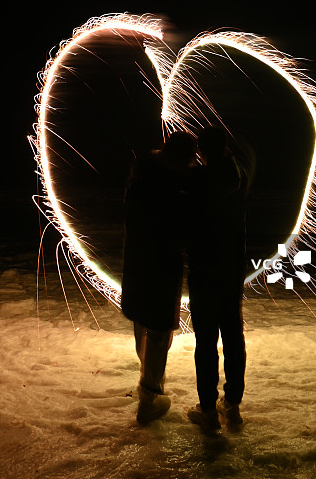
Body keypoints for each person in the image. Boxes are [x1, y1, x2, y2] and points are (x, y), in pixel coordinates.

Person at [121, 130, 196, 424]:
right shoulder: (169, 188)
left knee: (144, 324)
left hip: (137, 262)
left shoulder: (140, 177)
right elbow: (175, 235)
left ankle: (148, 387)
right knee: (157, 331)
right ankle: (149, 398)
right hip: (160, 267)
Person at [186, 126, 247, 432]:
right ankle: (233, 406)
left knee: (206, 341)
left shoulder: (196, 180)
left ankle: (208, 411)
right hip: (232, 267)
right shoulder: (237, 177)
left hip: (203, 269)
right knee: (233, 336)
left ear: (202, 151)